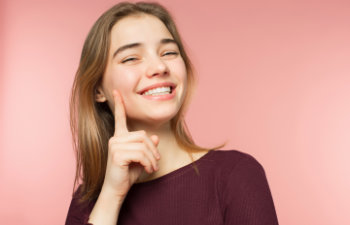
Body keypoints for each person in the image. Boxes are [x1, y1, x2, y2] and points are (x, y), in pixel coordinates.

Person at [65, 2, 279, 225]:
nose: (159, 66)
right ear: (98, 89)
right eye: (131, 58)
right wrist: (111, 197)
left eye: (169, 52)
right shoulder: (87, 204)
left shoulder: (236, 175)